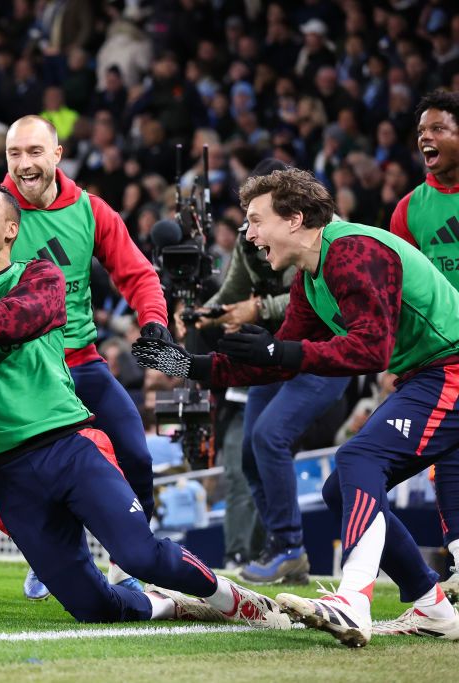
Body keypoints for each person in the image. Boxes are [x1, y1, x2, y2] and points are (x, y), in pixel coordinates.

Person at [0, 180, 288, 629]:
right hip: (5, 475)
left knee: (140, 554)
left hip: (65, 448)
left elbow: (12, 321)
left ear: (11, 229)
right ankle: (168, 605)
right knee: (92, 608)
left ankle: (232, 598)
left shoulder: (40, 276)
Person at [132, 168, 459, 646]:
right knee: (339, 491)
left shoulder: (353, 251)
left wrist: (279, 352)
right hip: (430, 374)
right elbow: (272, 366)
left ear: (295, 219)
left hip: (448, 369)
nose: (249, 233)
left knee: (357, 459)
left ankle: (353, 601)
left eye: (256, 220)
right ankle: (433, 608)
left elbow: (371, 351)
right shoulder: (312, 279)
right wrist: (181, 363)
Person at [1, 115, 171, 597]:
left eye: (35, 152)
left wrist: (153, 319)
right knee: (34, 477)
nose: (24, 164)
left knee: (135, 455)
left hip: (81, 362)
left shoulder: (91, 211)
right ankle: (54, 556)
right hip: (26, 371)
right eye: (15, 154)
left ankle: (127, 560)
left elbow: (138, 275)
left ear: (57, 155)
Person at [199, 159, 349, 583]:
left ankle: (287, 545)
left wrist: (258, 309)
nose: (250, 230)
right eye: (248, 217)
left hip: (322, 355)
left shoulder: (327, 235)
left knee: (270, 436)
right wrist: (203, 315)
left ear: (289, 212)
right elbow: (234, 291)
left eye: (256, 217)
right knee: (250, 453)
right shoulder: (254, 235)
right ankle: (284, 550)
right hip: (275, 352)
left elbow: (306, 298)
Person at [389, 89, 459, 602]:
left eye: (438, 128)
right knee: (451, 457)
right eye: (421, 133)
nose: (425, 138)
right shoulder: (409, 211)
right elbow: (403, 297)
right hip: (444, 353)